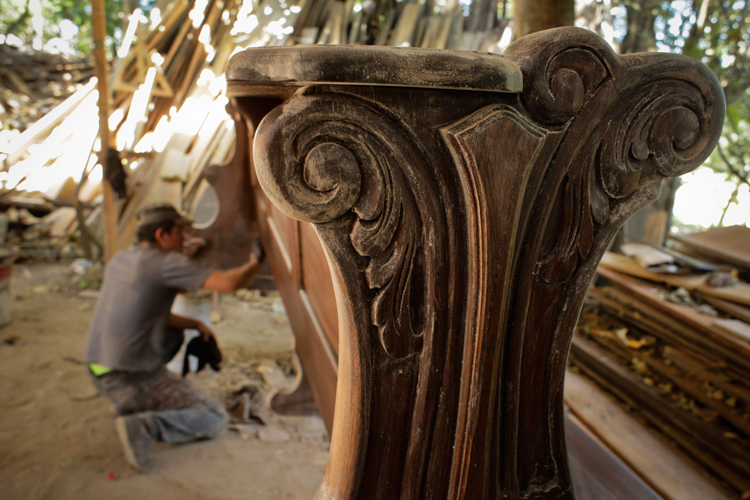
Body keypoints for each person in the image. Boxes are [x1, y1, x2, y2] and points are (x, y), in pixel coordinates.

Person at [85, 202, 262, 472]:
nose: (185, 239)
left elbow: (147, 312)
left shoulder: (122, 258)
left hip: (99, 367)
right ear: (161, 235)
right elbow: (229, 284)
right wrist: (255, 262)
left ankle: (130, 404)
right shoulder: (165, 263)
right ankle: (144, 425)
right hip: (126, 376)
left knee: (176, 334)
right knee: (213, 418)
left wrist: (195, 324)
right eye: (180, 232)